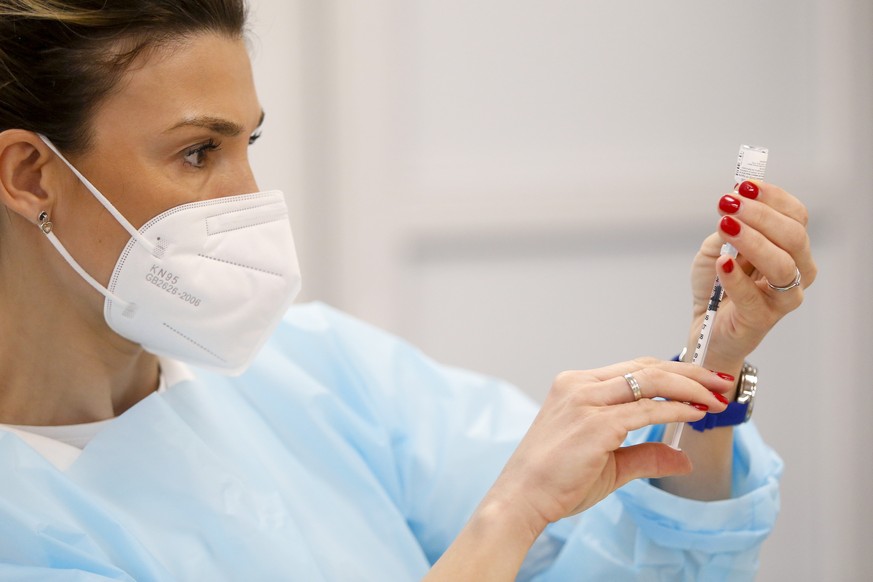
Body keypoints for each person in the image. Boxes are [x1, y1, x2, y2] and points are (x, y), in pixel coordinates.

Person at [0, 1, 815, 580]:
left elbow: (627, 559)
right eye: (196, 153)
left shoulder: (316, 369)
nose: (248, 196)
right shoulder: (21, 527)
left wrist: (714, 357)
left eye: (248, 143)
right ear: (31, 174)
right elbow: (520, 522)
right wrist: (509, 516)